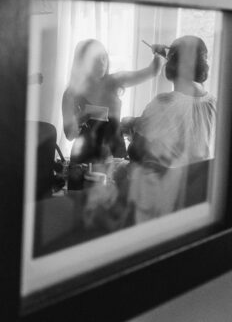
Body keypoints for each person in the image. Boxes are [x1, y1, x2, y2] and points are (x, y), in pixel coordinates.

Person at [122, 35, 217, 222]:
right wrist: (167, 52)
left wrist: (132, 126)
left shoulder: (163, 103)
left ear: (172, 65)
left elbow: (136, 152)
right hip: (198, 195)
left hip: (166, 200)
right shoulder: (213, 102)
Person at [62, 39, 166, 168]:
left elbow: (153, 71)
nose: (101, 63)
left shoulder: (116, 80)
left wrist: (159, 53)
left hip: (116, 155)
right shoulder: (71, 93)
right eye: (95, 59)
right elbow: (70, 136)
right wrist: (79, 119)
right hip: (84, 159)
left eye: (103, 57)